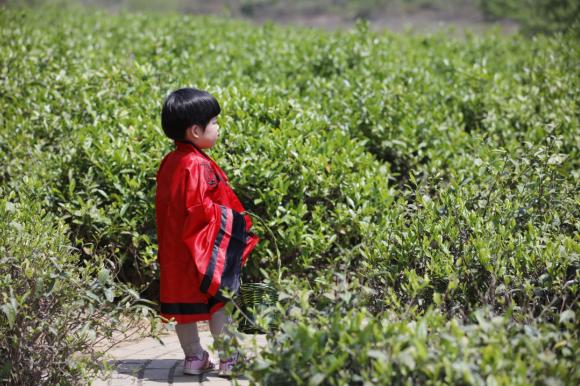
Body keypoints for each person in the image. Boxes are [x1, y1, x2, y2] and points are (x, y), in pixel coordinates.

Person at [155, 87, 260, 377]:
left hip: (176, 251)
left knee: (183, 308)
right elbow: (202, 210)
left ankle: (194, 358)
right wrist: (235, 222)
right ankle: (230, 359)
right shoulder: (198, 165)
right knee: (219, 301)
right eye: (214, 122)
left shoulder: (170, 162)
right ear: (195, 131)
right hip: (202, 249)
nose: (218, 127)